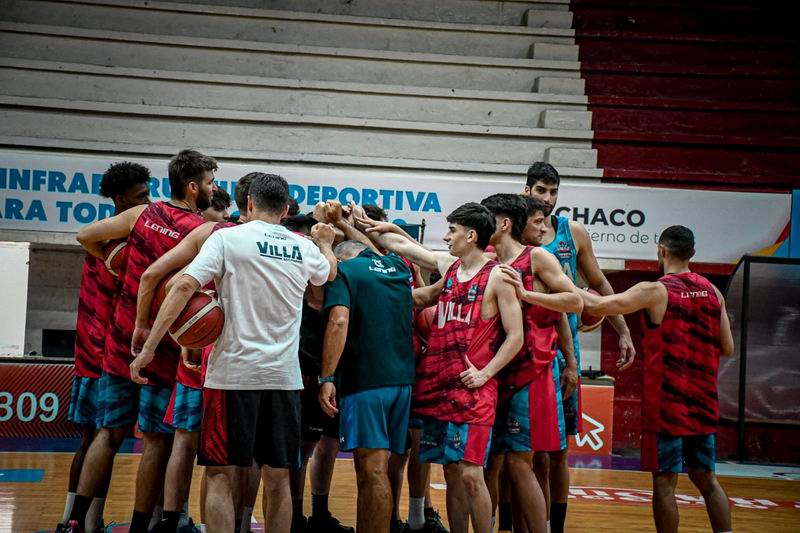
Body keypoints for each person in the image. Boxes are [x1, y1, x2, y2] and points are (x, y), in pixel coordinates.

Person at [132, 173, 337, 533]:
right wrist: (327, 243)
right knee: (278, 479)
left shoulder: (227, 238)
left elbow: (182, 285)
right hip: (283, 379)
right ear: (287, 209)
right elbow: (327, 273)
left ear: (249, 205)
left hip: (231, 376)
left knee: (220, 475)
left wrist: (150, 348)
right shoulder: (303, 247)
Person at [64, 150, 216, 533]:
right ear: (193, 186)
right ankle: (138, 527)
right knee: (155, 443)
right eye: (211, 183)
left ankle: (76, 521)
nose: (215, 189)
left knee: (107, 434)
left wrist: (110, 259)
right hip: (163, 347)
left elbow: (84, 236)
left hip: (122, 340)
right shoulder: (199, 231)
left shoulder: (141, 215)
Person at [355, 203, 524, 533]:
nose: (446, 237)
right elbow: (407, 251)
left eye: (452, 230)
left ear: (471, 235)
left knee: (472, 475)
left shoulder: (498, 278)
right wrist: (363, 229)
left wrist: (485, 373)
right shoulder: (450, 268)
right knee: (450, 471)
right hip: (440, 384)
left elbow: (515, 337)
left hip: (474, 389)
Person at [579, 225, 734, 533]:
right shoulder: (714, 292)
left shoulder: (654, 291)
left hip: (667, 406)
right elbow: (727, 348)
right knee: (707, 480)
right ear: (692, 253)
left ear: (661, 251)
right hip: (703, 403)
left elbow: (597, 306)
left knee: (664, 482)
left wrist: (565, 285)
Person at [136, 173, 259, 533]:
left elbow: (158, 277)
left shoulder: (210, 232)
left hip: (203, 355)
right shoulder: (261, 240)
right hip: (235, 363)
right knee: (226, 458)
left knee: (187, 444)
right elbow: (174, 283)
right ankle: (226, 524)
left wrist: (174, 334)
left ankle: (174, 520)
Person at [523, 162, 636, 533]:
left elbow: (600, 284)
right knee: (524, 452)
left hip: (563, 351)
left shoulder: (572, 233)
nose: (549, 199)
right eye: (541, 190)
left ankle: (555, 526)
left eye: (554, 192)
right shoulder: (519, 234)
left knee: (558, 450)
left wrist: (623, 331)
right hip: (524, 349)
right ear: (527, 191)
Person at [57, 162, 152, 533]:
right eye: (140, 195)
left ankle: (83, 520)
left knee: (98, 439)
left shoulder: (108, 236)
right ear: (120, 198)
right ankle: (75, 520)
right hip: (101, 352)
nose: (147, 200)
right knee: (102, 437)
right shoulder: (113, 243)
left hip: (96, 349)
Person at [479, 194, 583, 533]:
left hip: (533, 372)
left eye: (486, 218)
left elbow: (574, 301)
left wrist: (527, 296)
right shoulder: (489, 259)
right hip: (496, 372)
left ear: (504, 223)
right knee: (492, 464)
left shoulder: (537, 257)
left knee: (523, 462)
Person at [318, 240, 417, 532]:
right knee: (379, 469)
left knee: (372, 471)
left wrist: (326, 378)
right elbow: (371, 249)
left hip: (366, 381)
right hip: (401, 382)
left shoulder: (345, 271)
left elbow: (338, 321)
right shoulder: (396, 267)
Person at [358, 204, 444, 533]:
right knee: (394, 451)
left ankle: (418, 515)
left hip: (416, 361)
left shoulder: (406, 260)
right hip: (383, 363)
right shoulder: (358, 260)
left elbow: (423, 292)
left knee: (419, 443)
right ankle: (390, 517)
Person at [283, 214, 354, 533]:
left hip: (336, 371)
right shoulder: (303, 272)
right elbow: (316, 295)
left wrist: (336, 234)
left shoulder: (336, 269)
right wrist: (323, 244)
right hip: (307, 368)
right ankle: (296, 515)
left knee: (329, 445)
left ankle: (320, 512)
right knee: (303, 446)